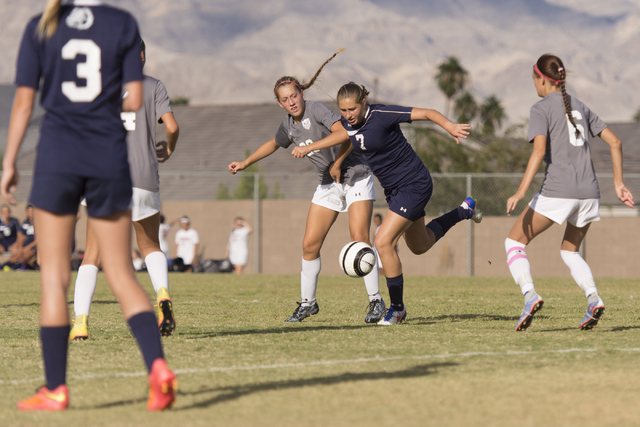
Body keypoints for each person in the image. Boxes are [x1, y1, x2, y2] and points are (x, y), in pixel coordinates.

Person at [2, 0, 175, 411]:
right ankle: (157, 367)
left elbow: (24, 104)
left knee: (54, 275)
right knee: (120, 270)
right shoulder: (122, 22)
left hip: (58, 157)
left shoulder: (40, 24)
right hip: (108, 158)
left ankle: (56, 388)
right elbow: (133, 100)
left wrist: (8, 163)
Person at [228, 50, 387, 324]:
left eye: (294, 96)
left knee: (359, 238)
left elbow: (344, 133)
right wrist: (246, 162)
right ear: (279, 104)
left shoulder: (316, 109)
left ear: (301, 93)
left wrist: (318, 151)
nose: (291, 102)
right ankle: (308, 303)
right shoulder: (288, 124)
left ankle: (376, 302)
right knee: (309, 244)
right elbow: (273, 143)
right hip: (328, 184)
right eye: (285, 99)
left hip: (355, 176)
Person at [325, 82, 479, 325]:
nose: (347, 115)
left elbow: (427, 113)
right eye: (343, 111)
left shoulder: (382, 114)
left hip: (415, 183)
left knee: (383, 241)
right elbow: (350, 137)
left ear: (363, 103)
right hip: (395, 191)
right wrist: (337, 162)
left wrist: (449, 126)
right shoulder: (349, 123)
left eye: (352, 109)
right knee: (420, 245)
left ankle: (397, 309)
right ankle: (463, 211)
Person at [505, 54, 634, 331]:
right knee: (570, 251)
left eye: (534, 80)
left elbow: (539, 152)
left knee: (513, 243)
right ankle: (593, 298)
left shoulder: (540, 108)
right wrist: (619, 184)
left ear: (542, 79)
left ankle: (530, 295)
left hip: (558, 190)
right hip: (590, 192)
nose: (534, 85)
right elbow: (616, 142)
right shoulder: (581, 106)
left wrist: (519, 192)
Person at [69, 38, 179, 341]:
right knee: (149, 246)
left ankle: (80, 322)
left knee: (92, 254)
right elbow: (171, 126)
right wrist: (168, 150)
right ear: (142, 55)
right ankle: (163, 295)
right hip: (142, 178)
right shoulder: (154, 85)